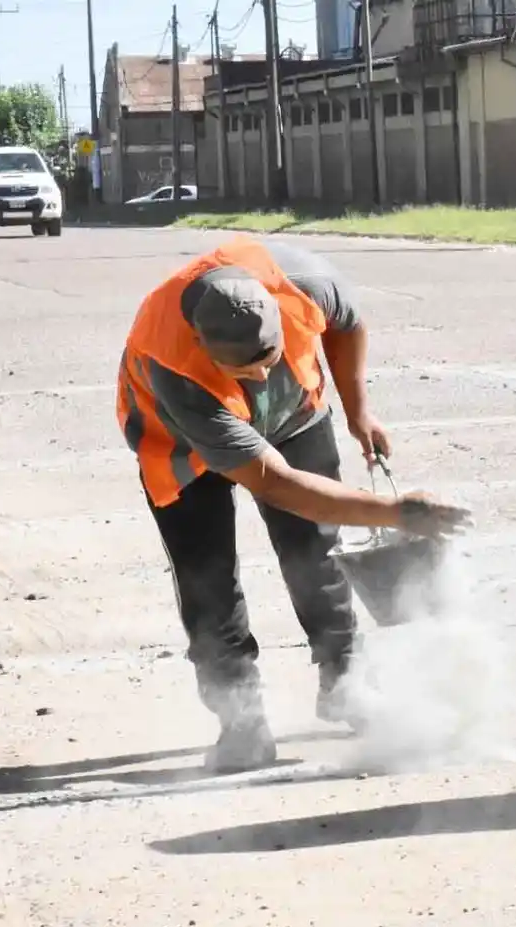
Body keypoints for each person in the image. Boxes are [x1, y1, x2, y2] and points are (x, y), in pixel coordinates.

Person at [116, 235, 471, 773]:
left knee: (316, 551)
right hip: (180, 440)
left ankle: (345, 682)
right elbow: (278, 485)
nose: (259, 376)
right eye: (243, 369)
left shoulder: (305, 284)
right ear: (203, 343)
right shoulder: (174, 363)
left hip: (293, 416)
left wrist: (358, 411)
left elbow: (348, 326)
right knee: (208, 581)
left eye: (268, 358)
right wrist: (398, 514)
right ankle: (242, 722)